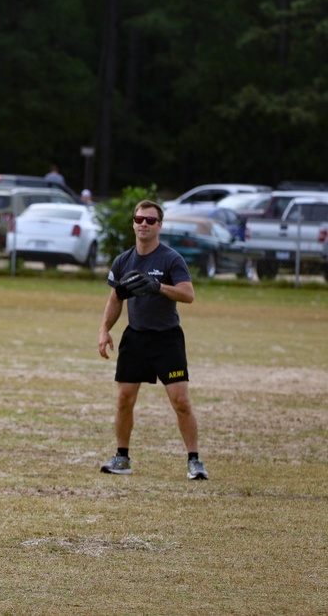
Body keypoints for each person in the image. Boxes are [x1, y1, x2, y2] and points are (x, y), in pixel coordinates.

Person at [97, 199, 208, 480]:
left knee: (180, 401)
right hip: (135, 338)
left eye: (150, 220)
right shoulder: (123, 260)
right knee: (124, 399)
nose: (143, 224)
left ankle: (194, 461)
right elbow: (115, 298)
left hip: (166, 339)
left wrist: (158, 286)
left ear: (160, 225)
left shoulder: (171, 259)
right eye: (139, 219)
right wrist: (104, 329)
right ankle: (122, 457)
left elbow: (188, 295)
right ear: (133, 223)